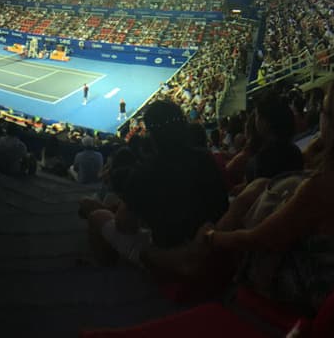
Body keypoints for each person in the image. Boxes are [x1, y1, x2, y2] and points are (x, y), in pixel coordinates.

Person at [144, 75, 334, 315]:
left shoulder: (322, 187)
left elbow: (259, 239)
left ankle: (187, 260)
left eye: (323, 112)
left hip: (316, 288)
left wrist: (212, 237)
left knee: (245, 213)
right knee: (260, 188)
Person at [81, 100, 228, 270]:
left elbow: (125, 225)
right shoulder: (206, 158)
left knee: (95, 214)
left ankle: (108, 275)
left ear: (151, 135)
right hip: (208, 245)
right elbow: (220, 205)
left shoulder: (144, 172)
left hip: (168, 256)